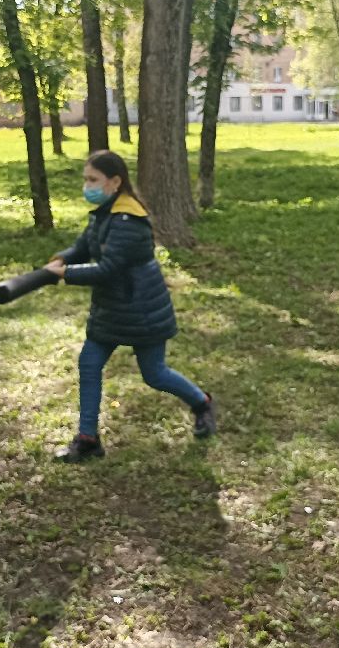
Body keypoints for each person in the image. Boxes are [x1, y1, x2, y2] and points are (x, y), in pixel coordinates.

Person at [44, 150, 215, 463]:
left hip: (141, 311)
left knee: (155, 375)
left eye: (93, 179)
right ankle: (87, 438)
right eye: (86, 179)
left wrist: (65, 274)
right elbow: (84, 246)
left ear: (115, 182)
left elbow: (108, 268)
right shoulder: (104, 213)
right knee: (89, 364)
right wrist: (62, 259)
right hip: (110, 309)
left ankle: (202, 402)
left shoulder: (129, 220)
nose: (87, 185)